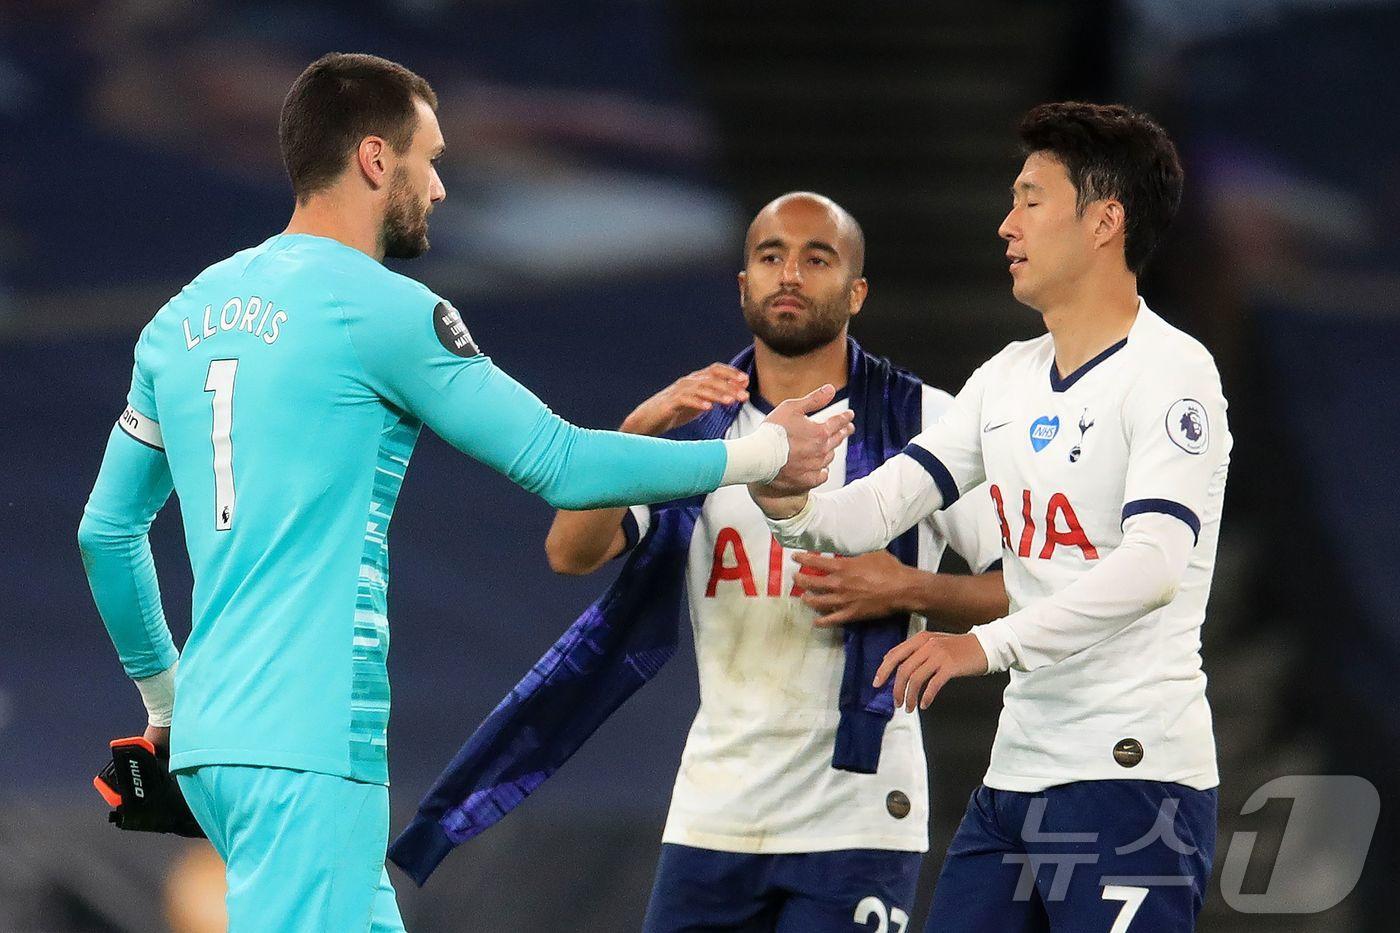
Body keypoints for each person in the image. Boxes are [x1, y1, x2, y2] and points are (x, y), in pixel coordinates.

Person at [76, 53, 849, 933]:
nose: (440, 187)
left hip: (219, 745)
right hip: (305, 737)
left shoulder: (182, 315)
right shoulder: (381, 310)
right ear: (375, 159)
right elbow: (559, 463)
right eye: (429, 159)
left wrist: (170, 703)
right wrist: (759, 456)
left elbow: (106, 533)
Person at [751, 103, 1230, 932]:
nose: (1006, 224)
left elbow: (1153, 565)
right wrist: (788, 498)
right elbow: (881, 502)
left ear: (1105, 221)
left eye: (1031, 199)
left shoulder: (1173, 373)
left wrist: (985, 645)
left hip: (1131, 776)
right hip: (1015, 781)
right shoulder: (1007, 377)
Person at [543, 192, 1007, 933]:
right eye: (770, 256)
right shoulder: (699, 428)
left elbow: (1029, 586)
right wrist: (636, 428)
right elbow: (570, 550)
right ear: (743, 285)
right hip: (714, 812)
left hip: (857, 813)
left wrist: (907, 585)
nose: (790, 273)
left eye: (816, 258)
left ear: (856, 291)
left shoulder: (927, 419)